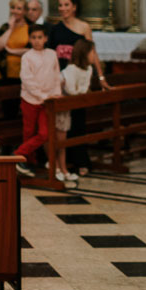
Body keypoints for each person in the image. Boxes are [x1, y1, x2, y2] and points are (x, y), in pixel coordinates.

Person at [48, 0, 110, 174]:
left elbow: (92, 53)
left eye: (66, 5)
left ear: (74, 7)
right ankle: (64, 161)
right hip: (62, 79)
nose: (63, 8)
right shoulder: (56, 29)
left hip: (79, 78)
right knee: (62, 123)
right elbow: (51, 55)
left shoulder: (83, 27)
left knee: (78, 121)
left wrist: (101, 77)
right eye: (60, 5)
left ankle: (82, 160)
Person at [13, 25, 63, 177]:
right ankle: (28, 163)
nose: (36, 41)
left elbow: (56, 75)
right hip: (30, 100)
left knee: (44, 133)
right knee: (29, 132)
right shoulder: (27, 57)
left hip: (47, 101)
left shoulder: (52, 54)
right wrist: (41, 96)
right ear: (29, 39)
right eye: (33, 38)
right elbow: (27, 80)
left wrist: (55, 94)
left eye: (40, 37)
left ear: (46, 38)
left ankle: (17, 155)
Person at [56, 38, 93, 183]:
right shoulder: (71, 69)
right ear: (84, 53)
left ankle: (74, 162)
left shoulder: (89, 69)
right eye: (92, 52)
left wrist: (80, 94)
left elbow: (84, 88)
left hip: (76, 103)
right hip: (63, 105)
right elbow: (70, 89)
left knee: (78, 128)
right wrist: (79, 94)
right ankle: (60, 166)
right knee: (64, 134)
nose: (94, 56)